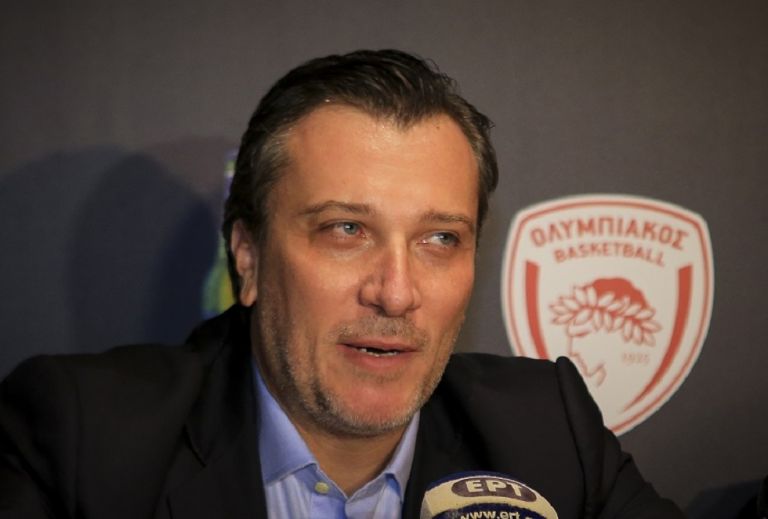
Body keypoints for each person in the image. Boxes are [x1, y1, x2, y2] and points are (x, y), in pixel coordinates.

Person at [0, 49, 684, 518]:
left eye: (440, 239)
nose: (396, 292)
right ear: (248, 257)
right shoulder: (82, 440)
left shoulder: (546, 432)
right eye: (346, 230)